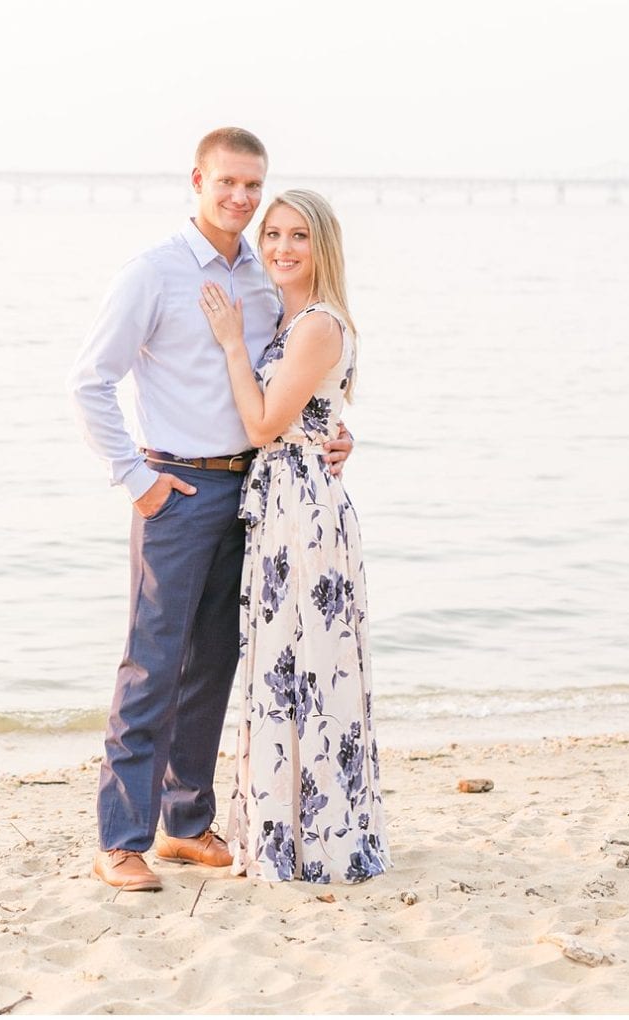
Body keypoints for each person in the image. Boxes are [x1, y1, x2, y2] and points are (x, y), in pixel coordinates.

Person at [70, 130, 353, 892]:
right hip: (178, 491)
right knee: (152, 663)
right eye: (227, 182)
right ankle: (120, 838)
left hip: (257, 495)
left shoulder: (263, 278)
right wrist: (136, 478)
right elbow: (89, 381)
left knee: (216, 665)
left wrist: (334, 434)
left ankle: (185, 823)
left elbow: (287, 380)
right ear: (197, 179)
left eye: (252, 186)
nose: (240, 198)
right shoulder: (153, 273)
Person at [199, 188, 390, 884]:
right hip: (284, 499)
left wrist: (227, 345)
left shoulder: (315, 324)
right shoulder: (291, 322)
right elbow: (313, 416)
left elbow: (261, 425)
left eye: (297, 237)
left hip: (302, 511)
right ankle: (292, 834)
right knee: (288, 665)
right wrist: (333, 436)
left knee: (307, 666)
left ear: (323, 247)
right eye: (272, 234)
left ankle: (317, 842)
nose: (280, 247)